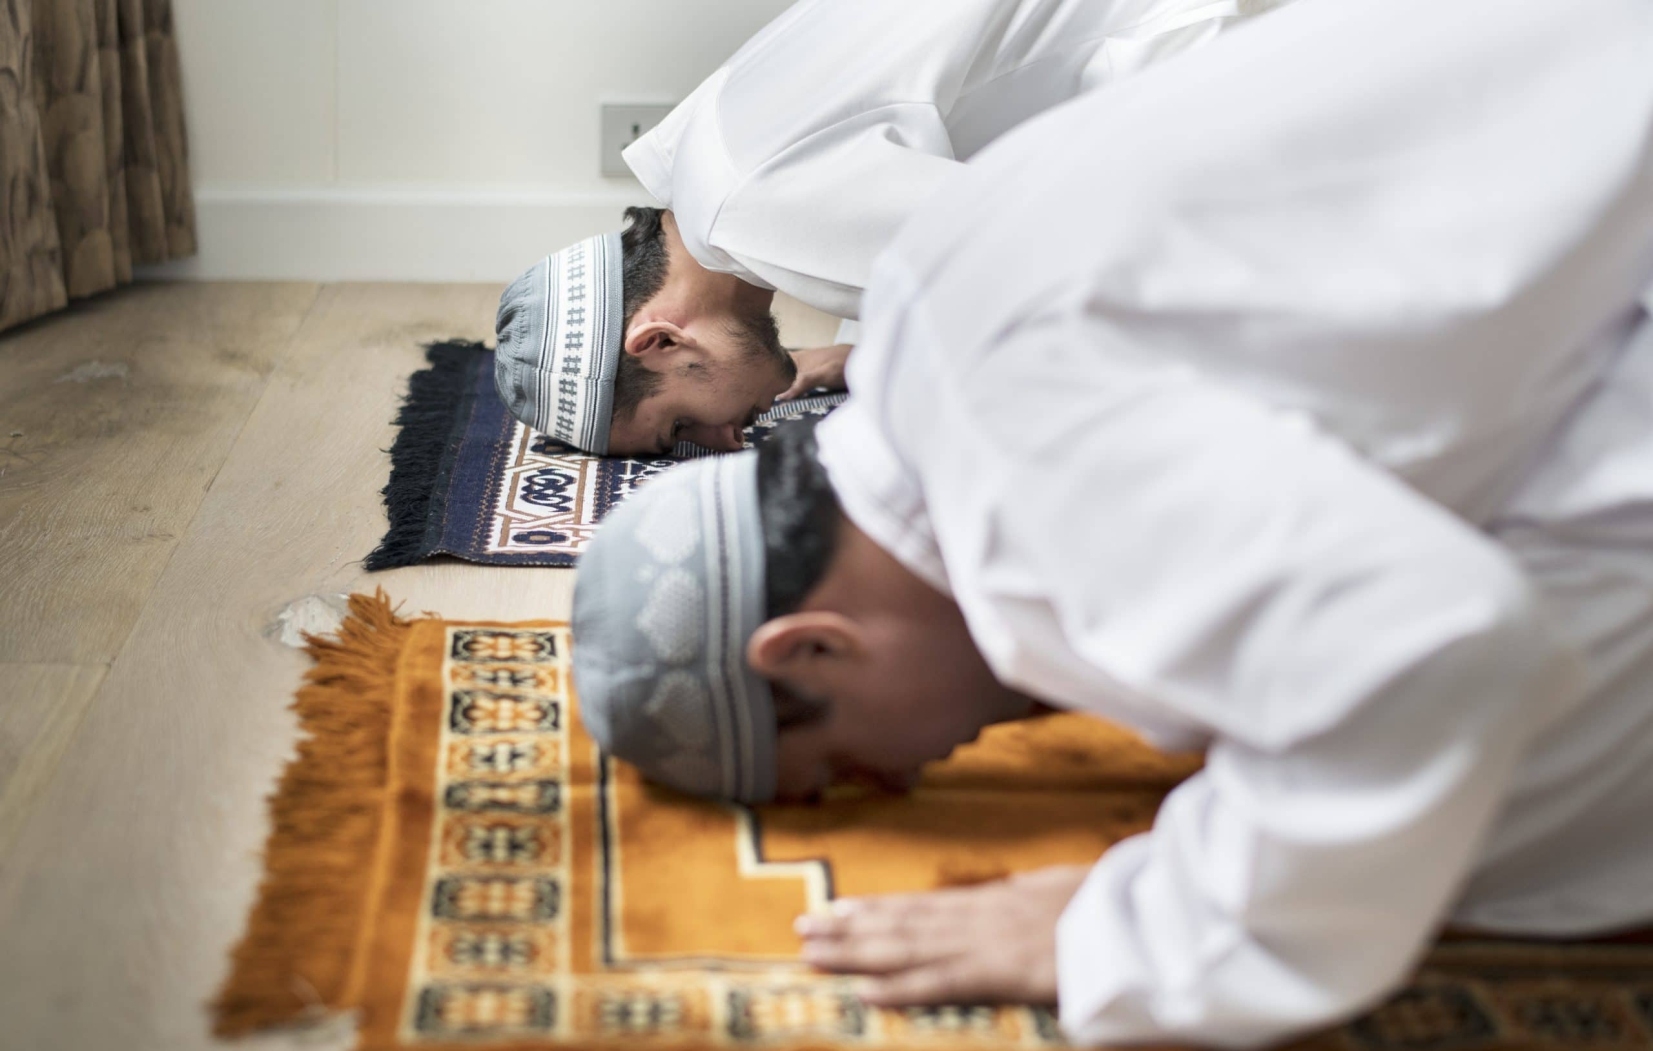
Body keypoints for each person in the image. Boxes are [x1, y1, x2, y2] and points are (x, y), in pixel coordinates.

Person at [568, 0, 1653, 1043]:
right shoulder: (921, 330)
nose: (915, 777)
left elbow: (1441, 648)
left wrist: (1143, 930)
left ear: (810, 646)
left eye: (855, 766)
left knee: (1490, 822)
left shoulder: (1016, 477)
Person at [493, 0, 1287, 456]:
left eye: (679, 427)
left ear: (660, 340)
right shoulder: (706, 153)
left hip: (1226, 46)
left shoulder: (755, 211)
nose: (725, 436)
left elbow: (1071, 277)